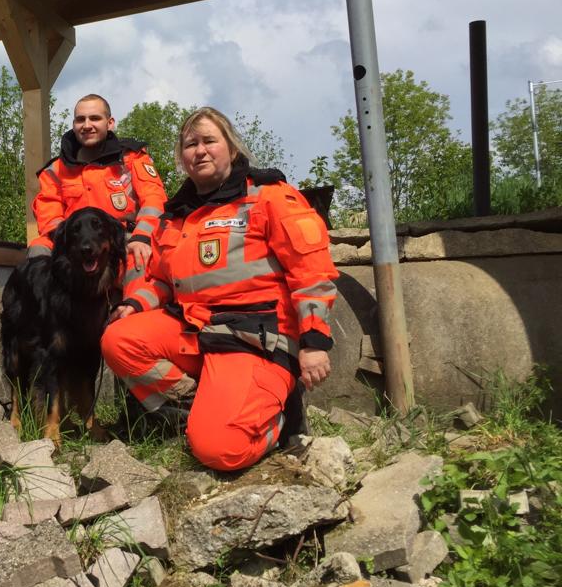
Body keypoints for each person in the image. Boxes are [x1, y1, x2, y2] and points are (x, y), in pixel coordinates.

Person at [101, 107, 338, 472]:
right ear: (182, 157)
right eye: (190, 144)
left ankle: (280, 420)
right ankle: (196, 412)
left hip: (254, 340)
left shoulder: (269, 196)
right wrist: (134, 305)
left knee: (220, 451)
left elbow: (311, 273)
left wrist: (314, 343)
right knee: (118, 339)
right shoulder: (176, 215)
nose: (200, 151)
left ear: (232, 147)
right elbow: (161, 281)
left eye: (209, 141)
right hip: (196, 331)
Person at [30, 94, 168, 283]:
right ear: (74, 124)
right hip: (76, 242)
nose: (87, 125)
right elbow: (49, 216)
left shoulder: (132, 158)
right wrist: (70, 245)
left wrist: (141, 237)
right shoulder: (55, 170)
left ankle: (133, 301)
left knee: (140, 256)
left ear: (110, 123)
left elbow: (154, 200)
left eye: (95, 118)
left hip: (123, 238)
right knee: (39, 248)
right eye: (80, 119)